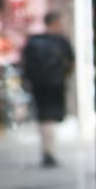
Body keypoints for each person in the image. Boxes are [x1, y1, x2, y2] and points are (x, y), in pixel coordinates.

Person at [19, 9, 75, 168]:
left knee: (44, 117)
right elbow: (71, 62)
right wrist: (64, 76)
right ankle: (49, 151)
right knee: (51, 117)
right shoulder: (61, 41)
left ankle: (46, 150)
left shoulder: (33, 41)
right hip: (56, 83)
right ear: (55, 23)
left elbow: (24, 64)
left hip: (38, 84)